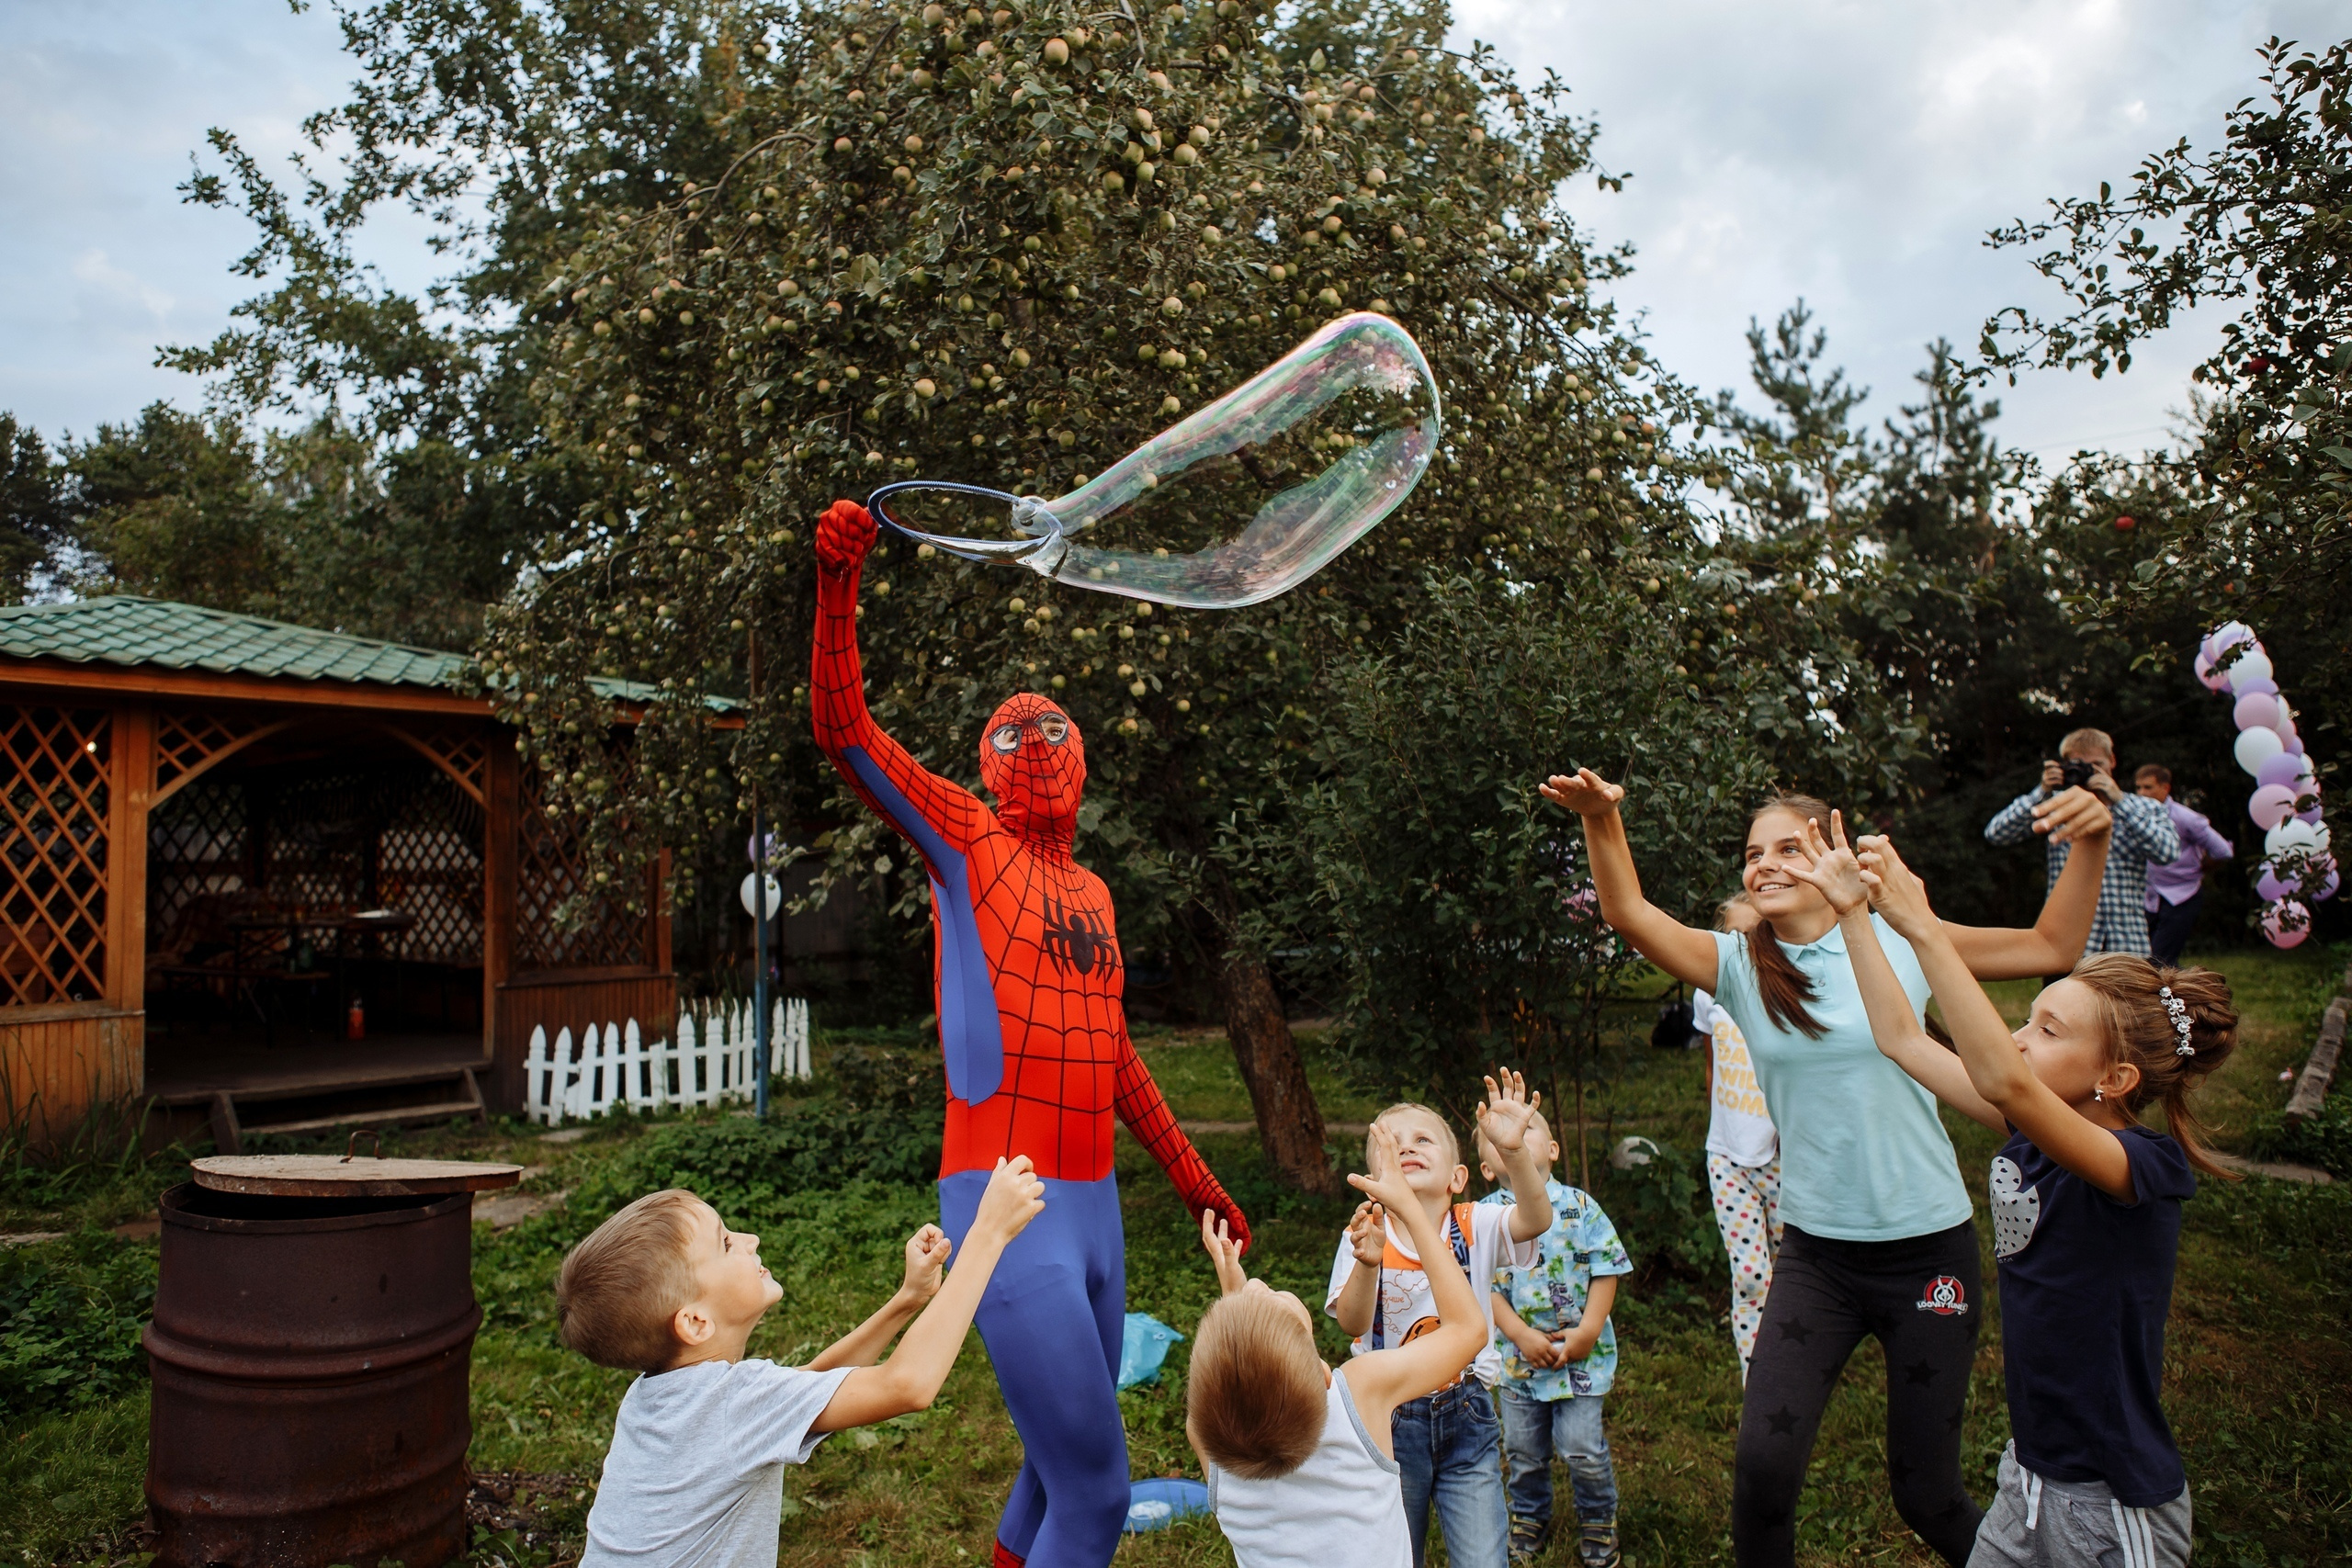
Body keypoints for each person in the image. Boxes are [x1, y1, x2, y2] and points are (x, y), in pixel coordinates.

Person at [809, 499, 1250, 1568]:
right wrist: (837, 587)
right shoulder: (964, 837)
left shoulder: (1095, 895)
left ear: (1083, 758)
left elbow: (1113, 1056)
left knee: (1053, 1471)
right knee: (1097, 1499)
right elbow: (844, 732)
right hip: (1005, 1206)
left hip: (1097, 1215)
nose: (1035, 743)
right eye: (1011, 733)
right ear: (986, 760)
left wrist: (1193, 1179)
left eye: (1054, 729)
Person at [1537, 768, 2115, 1568]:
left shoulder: (1905, 941)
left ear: (1834, 850)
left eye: (1787, 847)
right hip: (1818, 1257)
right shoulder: (1739, 965)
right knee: (1762, 1471)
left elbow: (2053, 946)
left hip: (1927, 1254)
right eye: (1751, 853)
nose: (1763, 864)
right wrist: (1604, 819)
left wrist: (2094, 836)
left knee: (1927, 1494)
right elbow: (1628, 913)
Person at [1788, 818, 2235, 1568]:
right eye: (2028, 1018)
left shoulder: (2141, 1166)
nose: (2021, 1036)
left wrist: (1925, 926)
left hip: (2112, 1503)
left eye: (2049, 1029)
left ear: (2115, 1078)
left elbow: (2006, 1079)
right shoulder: (2027, 1128)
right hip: (2027, 1476)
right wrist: (1854, 916)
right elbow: (1902, 1037)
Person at [558, 1161, 1047, 1568]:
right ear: (695, 1322)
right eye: (726, 1243)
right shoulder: (736, 1404)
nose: (748, 1238)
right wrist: (988, 1235)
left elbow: (809, 1392)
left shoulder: (654, 1399)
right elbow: (909, 1385)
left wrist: (907, 1299)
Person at [1187, 1123, 1490, 1568]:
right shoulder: (1359, 1396)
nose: (1256, 1286)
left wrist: (1238, 1309)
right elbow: (1468, 1329)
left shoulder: (1213, 1456)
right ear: (1326, 1374)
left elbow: (1228, 1399)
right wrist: (1408, 1210)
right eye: (1270, 1301)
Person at [1327, 1075, 1555, 1568]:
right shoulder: (1366, 1233)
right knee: (1395, 1555)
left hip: (1466, 1417)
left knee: (1484, 1559)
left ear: (1457, 1178)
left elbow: (1536, 1220)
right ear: (1373, 1179)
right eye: (1391, 1145)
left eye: (1422, 1139)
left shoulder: (1477, 1225)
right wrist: (1367, 1264)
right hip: (1388, 1421)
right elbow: (1352, 1323)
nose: (1407, 1147)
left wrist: (1513, 1153)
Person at [1476, 1111, 1633, 1568]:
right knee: (1522, 1450)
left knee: (1583, 1447)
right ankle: (1528, 1516)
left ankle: (1598, 1518)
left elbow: (1607, 1268)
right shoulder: (1486, 1217)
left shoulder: (1581, 1208)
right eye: (1499, 1136)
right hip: (1519, 1360)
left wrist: (1587, 1331)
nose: (1516, 1137)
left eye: (1528, 1129)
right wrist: (1520, 1333)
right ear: (1487, 1166)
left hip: (1581, 1357)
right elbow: (1484, 1287)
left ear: (1553, 1150)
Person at [1984, 728, 2180, 958]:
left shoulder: (2144, 807)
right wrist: (2043, 791)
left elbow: (2168, 852)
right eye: (2079, 765)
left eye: (2096, 765)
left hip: (2127, 940)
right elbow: (1996, 833)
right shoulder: (2058, 805)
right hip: (2065, 944)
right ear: (2065, 766)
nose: (2089, 772)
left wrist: (2118, 802)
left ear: (2112, 761)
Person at [1692, 894, 1781, 1384]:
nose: (1746, 947)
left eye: (1758, 935)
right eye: (1736, 937)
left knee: (1792, 1273)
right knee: (1750, 1276)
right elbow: (1712, 1064)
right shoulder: (1711, 992)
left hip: (1787, 1156)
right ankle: (1759, 1378)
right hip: (1727, 1155)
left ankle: (1797, 1361)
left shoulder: (1794, 989)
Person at [2133, 765, 2234, 965]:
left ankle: (2182, 995)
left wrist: (2199, 869)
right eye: (2138, 788)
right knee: (2145, 960)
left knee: (2161, 961)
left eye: (2148, 787)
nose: (2141, 794)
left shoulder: (2186, 818)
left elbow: (2223, 851)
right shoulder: (2136, 816)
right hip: (2149, 896)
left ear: (2165, 788)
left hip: (2182, 895)